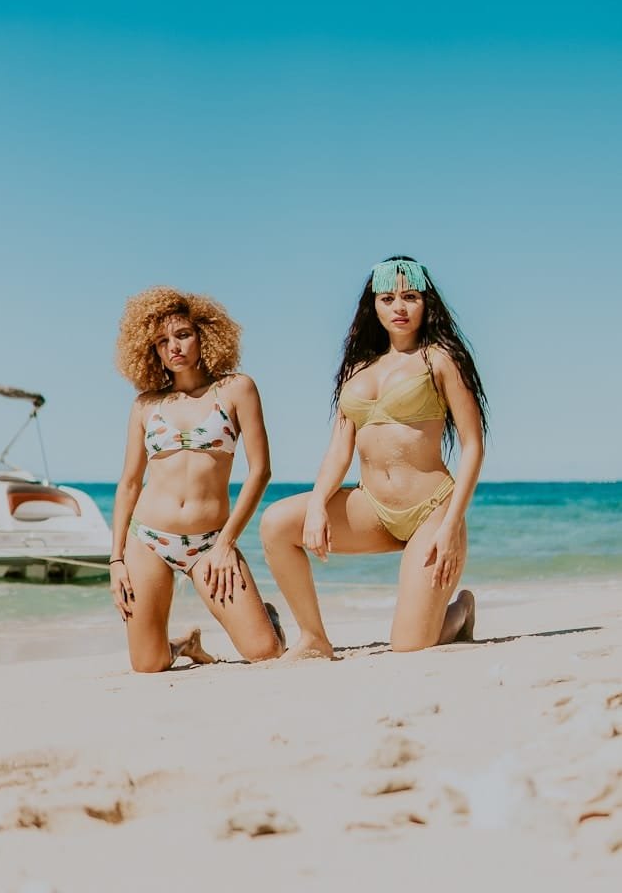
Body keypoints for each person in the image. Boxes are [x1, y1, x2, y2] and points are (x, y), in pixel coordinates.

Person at [260, 256, 488, 657]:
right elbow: (339, 449)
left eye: (410, 296)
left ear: (425, 303)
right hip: (373, 507)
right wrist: (316, 504)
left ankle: (459, 611)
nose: (399, 307)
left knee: (410, 645)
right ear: (374, 305)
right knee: (277, 523)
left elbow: (473, 446)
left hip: (431, 512)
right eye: (387, 298)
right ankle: (314, 639)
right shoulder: (357, 370)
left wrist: (451, 525)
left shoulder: (439, 360)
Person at [111, 286, 285, 672]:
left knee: (264, 651)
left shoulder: (236, 389)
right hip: (149, 540)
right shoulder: (146, 405)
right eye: (161, 341)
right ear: (151, 350)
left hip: (210, 543)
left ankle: (266, 617)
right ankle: (185, 643)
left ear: (205, 334)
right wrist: (116, 560)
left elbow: (260, 471)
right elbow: (128, 484)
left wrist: (226, 544)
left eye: (183, 335)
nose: (173, 347)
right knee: (149, 665)